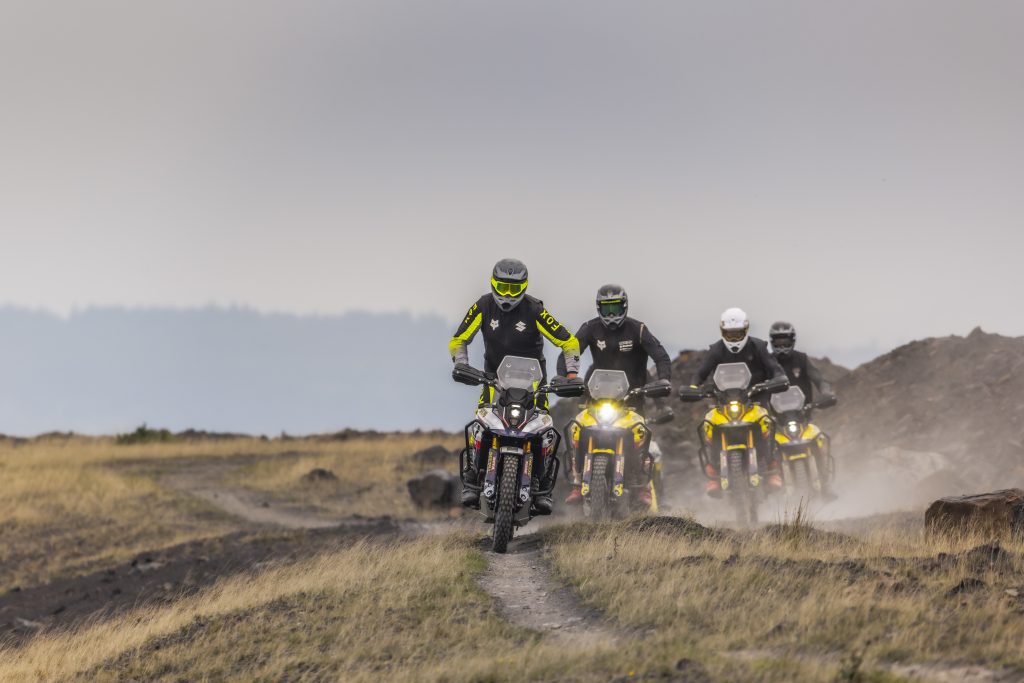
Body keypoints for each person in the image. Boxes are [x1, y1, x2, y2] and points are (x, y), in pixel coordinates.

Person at [449, 258, 580, 511]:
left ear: (524, 287)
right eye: (503, 287)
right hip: (493, 381)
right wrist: (461, 363)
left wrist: (571, 375)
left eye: (514, 289)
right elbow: (458, 339)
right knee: (480, 425)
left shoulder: (534, 310)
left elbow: (569, 342)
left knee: (544, 431)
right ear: (493, 283)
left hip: (533, 385)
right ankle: (473, 482)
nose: (507, 295)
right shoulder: (483, 305)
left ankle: (542, 489)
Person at [560, 284, 671, 506]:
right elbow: (570, 351)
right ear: (599, 308)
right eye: (606, 308)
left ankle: (642, 488)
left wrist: (663, 379)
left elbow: (661, 356)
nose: (611, 314)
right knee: (577, 430)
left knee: (643, 440)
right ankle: (577, 482)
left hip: (633, 401)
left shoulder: (638, 329)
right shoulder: (590, 329)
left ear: (625, 306)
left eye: (616, 307)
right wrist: (565, 376)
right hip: (597, 399)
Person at [687, 307, 787, 496]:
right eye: (729, 334)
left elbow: (775, 368)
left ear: (746, 330)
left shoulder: (758, 346)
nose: (734, 339)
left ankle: (773, 468)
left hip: (755, 399)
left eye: (738, 334)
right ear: (723, 332)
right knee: (708, 425)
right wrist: (694, 388)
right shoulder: (716, 349)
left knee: (768, 424)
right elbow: (700, 373)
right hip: (725, 402)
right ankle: (713, 471)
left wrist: (776, 380)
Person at [768, 321, 836, 407]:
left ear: (792, 341)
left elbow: (819, 379)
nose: (782, 346)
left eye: (785, 343)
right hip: (772, 416)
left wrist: (826, 392)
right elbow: (754, 382)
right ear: (772, 341)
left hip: (803, 413)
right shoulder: (767, 362)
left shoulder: (802, 359)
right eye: (778, 343)